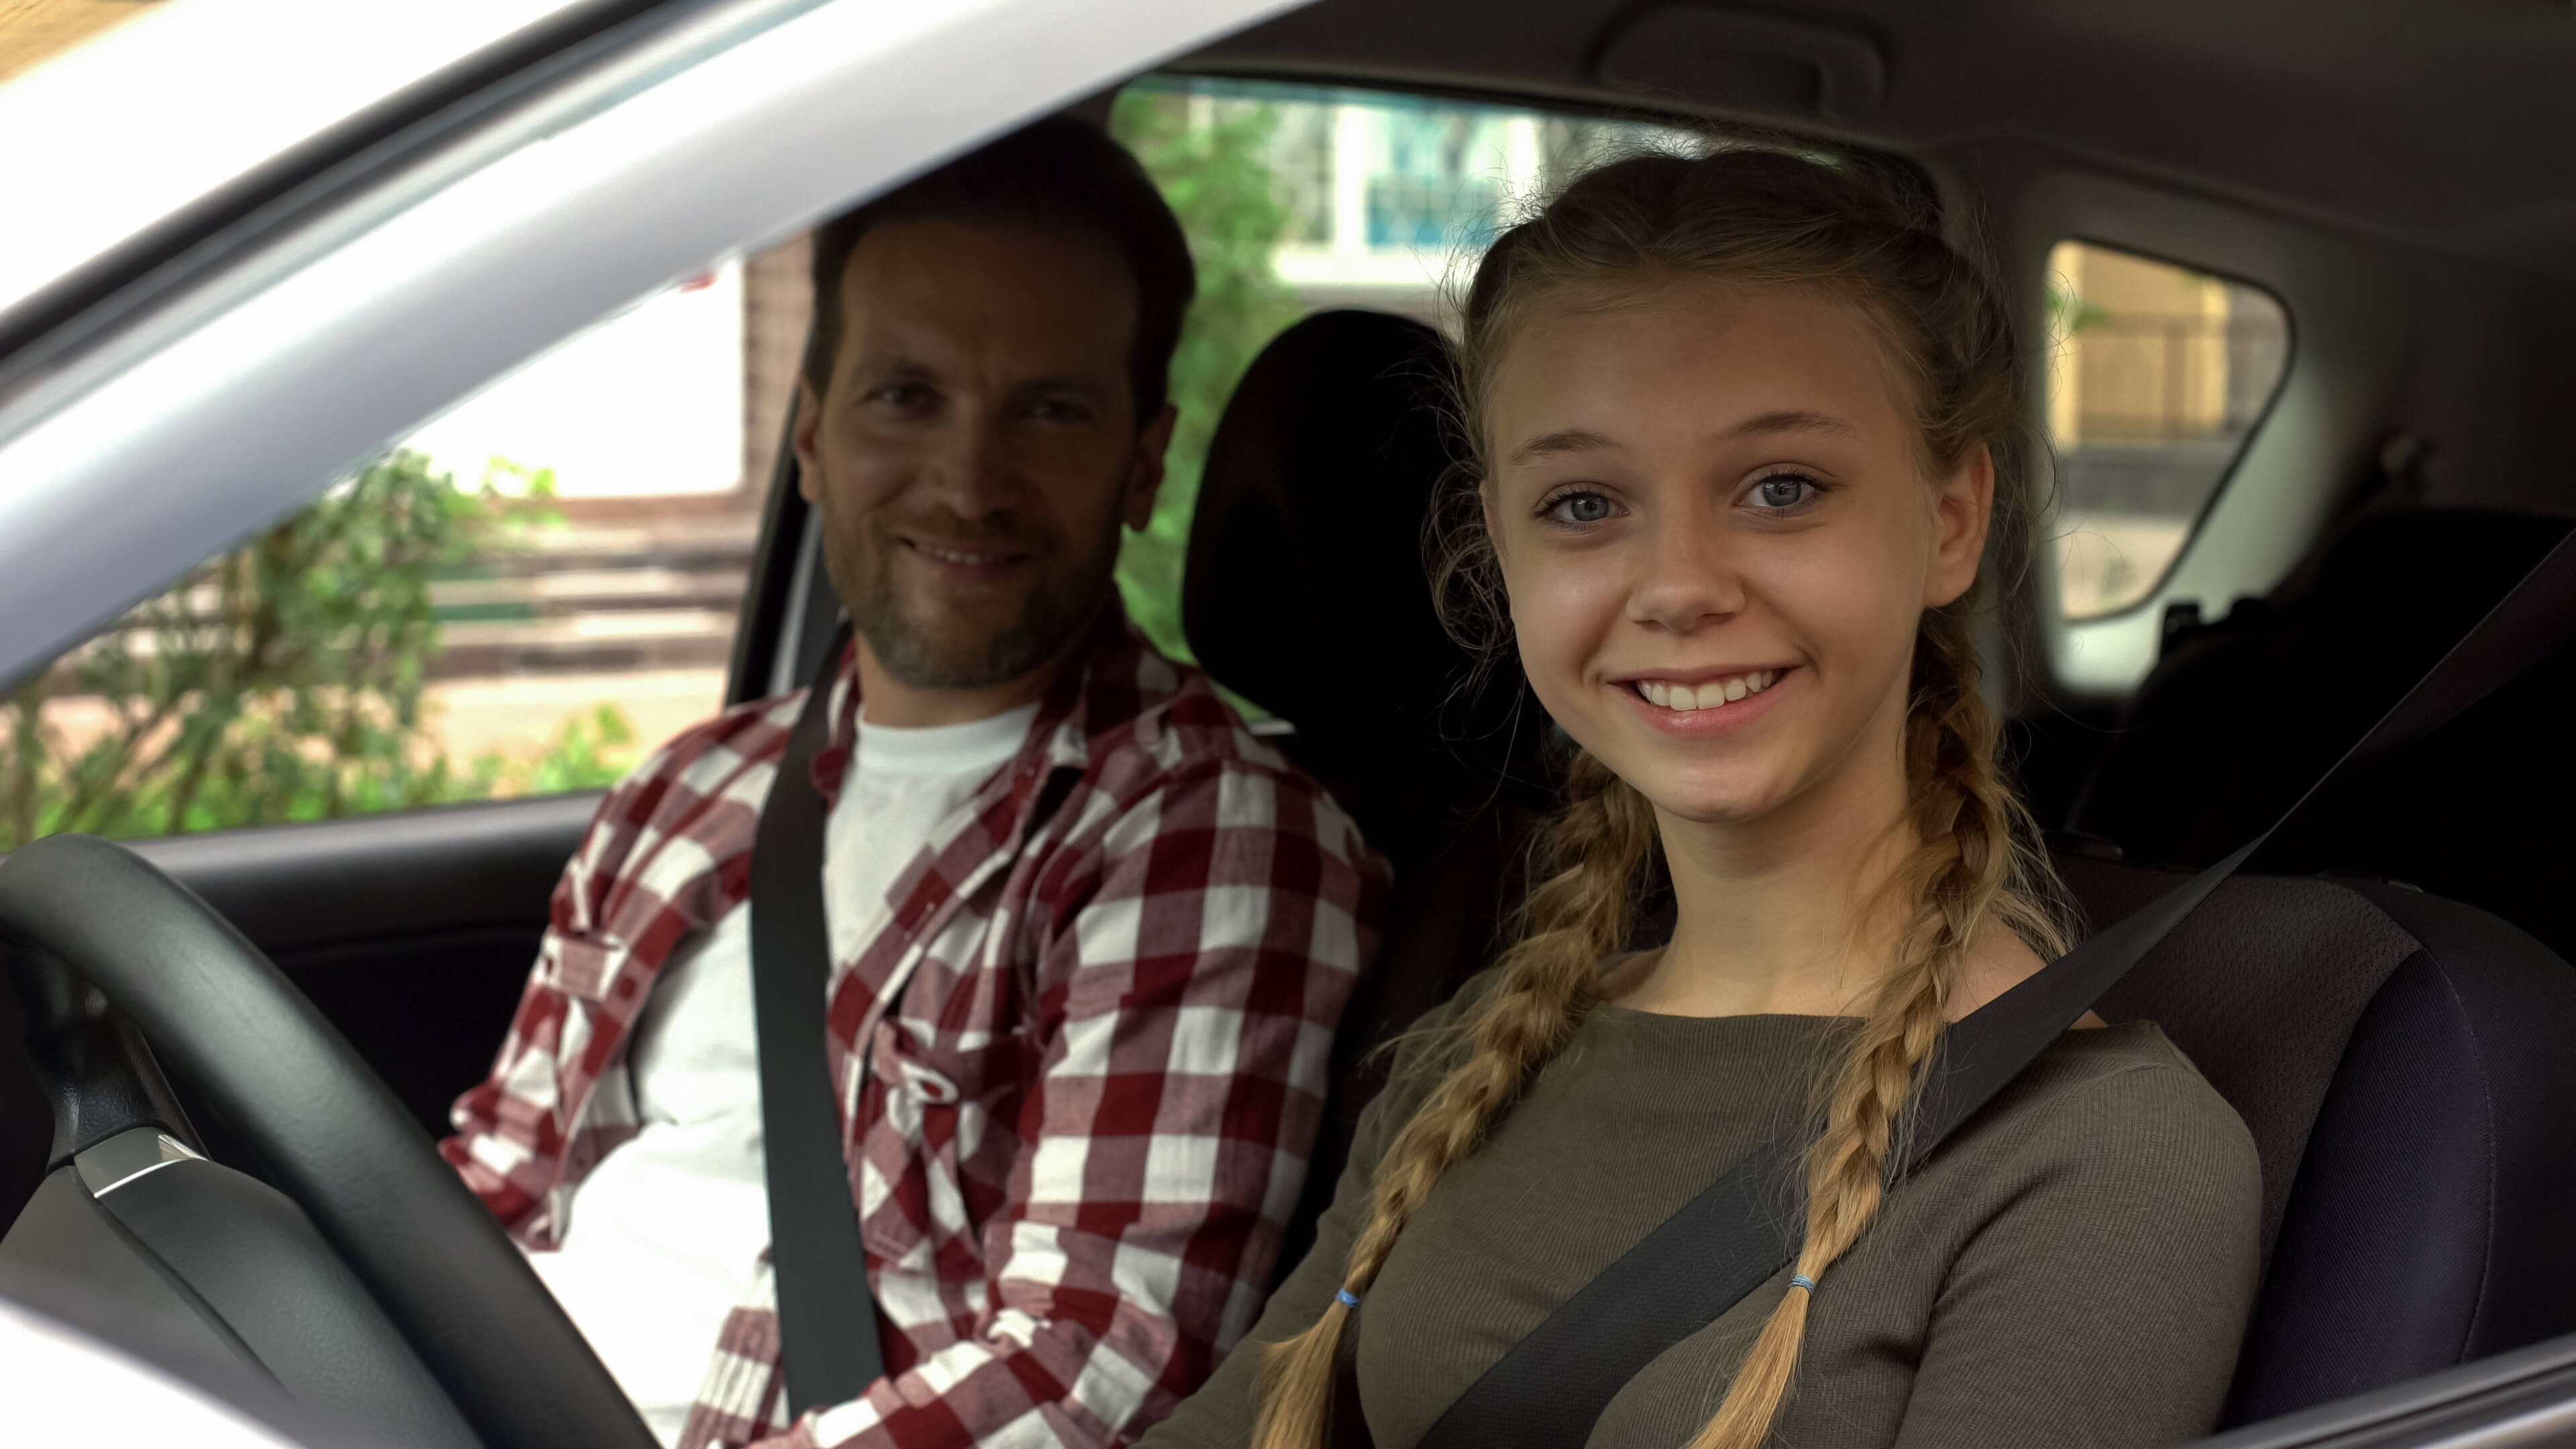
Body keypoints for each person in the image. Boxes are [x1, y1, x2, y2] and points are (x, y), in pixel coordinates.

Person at [1138, 147, 2261, 1449]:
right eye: (1583, 503)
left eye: (1782, 489)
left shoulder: (2101, 1152)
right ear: (1499, 553)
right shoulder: (1479, 1059)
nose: (1678, 583)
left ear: (1953, 520)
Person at [441, 118, 1388, 1449]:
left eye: (1049, 410)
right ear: (815, 437)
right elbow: (496, 1183)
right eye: (907, 397)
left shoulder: (1202, 834)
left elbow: (1091, 1371)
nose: (967, 482)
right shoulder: (693, 785)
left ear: (1142, 464)